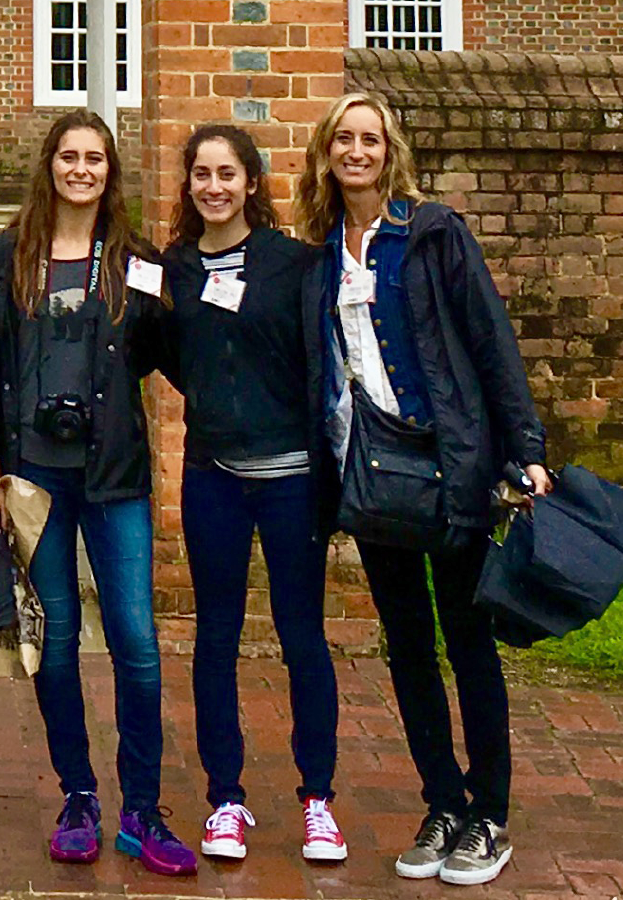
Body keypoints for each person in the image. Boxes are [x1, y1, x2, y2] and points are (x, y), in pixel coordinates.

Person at [295, 89, 551, 889]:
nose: (357, 151)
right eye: (344, 139)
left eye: (370, 139)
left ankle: (489, 815)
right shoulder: (320, 252)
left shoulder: (433, 233)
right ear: (326, 153)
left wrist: (526, 449)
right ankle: (441, 800)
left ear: (389, 150)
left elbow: (489, 340)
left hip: (452, 469)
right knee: (407, 647)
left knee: (467, 643)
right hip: (373, 480)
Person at [0, 109, 196, 877]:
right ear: (48, 165)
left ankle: (142, 808)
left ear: (109, 171)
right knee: (55, 642)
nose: (81, 169)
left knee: (133, 638)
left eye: (94, 158)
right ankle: (78, 796)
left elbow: (173, 354)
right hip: (34, 479)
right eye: (68, 156)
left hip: (114, 475)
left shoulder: (133, 260)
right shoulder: (3, 262)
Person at [159, 125, 345, 866]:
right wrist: (210, 403)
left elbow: (319, 357)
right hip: (213, 480)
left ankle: (318, 799)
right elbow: (169, 356)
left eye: (226, 174)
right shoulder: (170, 270)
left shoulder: (293, 264)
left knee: (301, 637)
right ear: (188, 184)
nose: (213, 186)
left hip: (291, 480)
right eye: (201, 174)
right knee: (215, 638)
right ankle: (225, 799)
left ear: (249, 181)